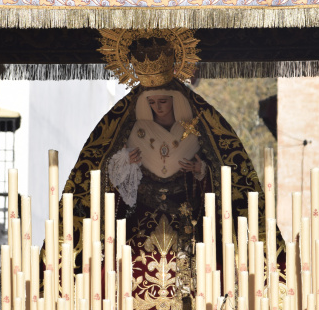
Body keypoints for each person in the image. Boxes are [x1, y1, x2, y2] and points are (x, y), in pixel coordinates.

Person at [55, 30, 284, 310]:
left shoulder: (202, 124)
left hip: (189, 235)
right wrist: (126, 165)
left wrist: (202, 171)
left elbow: (228, 178)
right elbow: (99, 181)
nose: (158, 107)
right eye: (151, 102)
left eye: (163, 101)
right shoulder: (123, 125)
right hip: (135, 237)